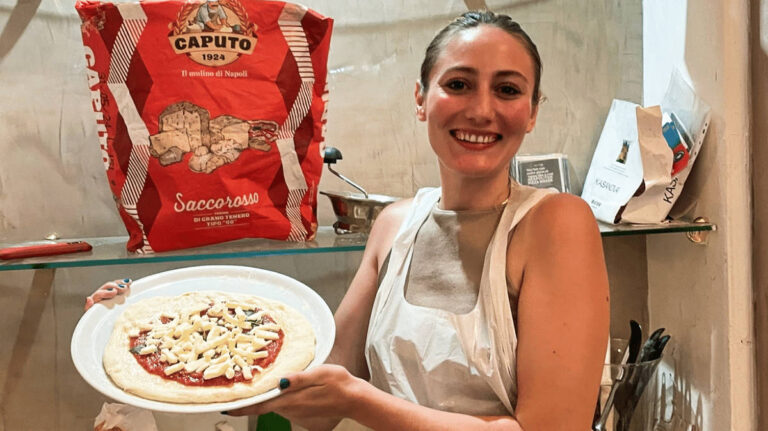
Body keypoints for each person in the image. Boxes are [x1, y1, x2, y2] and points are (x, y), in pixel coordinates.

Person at [88, 11, 609, 430]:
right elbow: (318, 398)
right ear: (421, 100)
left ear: (533, 111)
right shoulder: (393, 225)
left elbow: (553, 428)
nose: (481, 110)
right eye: (459, 83)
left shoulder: (556, 223)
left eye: (508, 90)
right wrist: (150, 329)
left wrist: (360, 401)